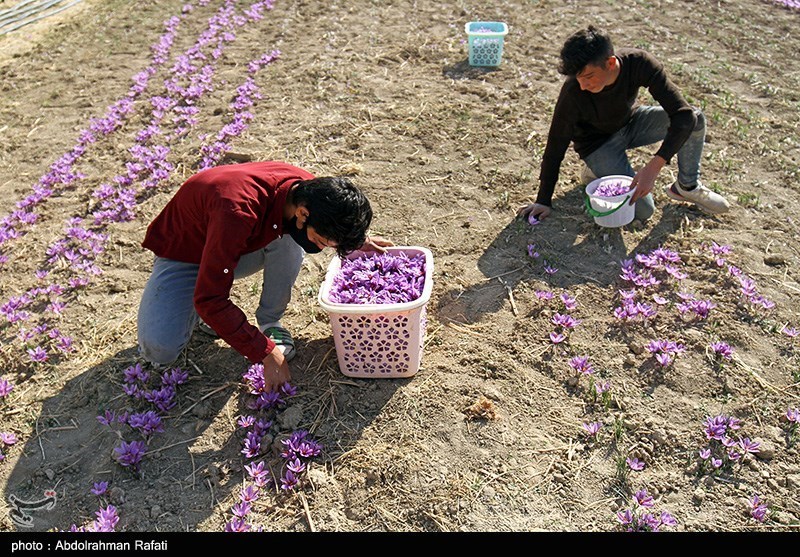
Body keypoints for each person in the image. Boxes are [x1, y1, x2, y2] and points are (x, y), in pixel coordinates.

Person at [137, 161, 392, 391]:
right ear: (303, 213)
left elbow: (330, 221)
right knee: (160, 349)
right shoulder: (238, 212)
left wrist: (356, 241)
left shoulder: (309, 193)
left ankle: (270, 322)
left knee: (290, 237)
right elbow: (211, 299)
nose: (325, 247)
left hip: (235, 241)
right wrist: (266, 353)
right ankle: (192, 310)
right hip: (187, 253)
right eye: (326, 241)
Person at [518, 25, 730, 224]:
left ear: (610, 63)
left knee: (695, 118)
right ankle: (595, 169)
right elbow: (555, 145)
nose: (583, 85)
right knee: (643, 211)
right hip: (597, 145)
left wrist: (653, 167)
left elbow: (683, 116)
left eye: (589, 77)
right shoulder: (574, 91)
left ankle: (686, 186)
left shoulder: (639, 63)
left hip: (630, 123)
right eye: (578, 78)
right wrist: (543, 200)